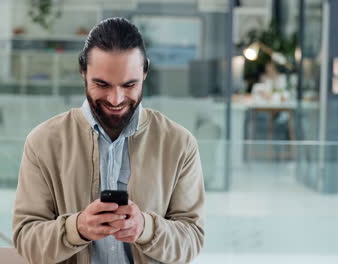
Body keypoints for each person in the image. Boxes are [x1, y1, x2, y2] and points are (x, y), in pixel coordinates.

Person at [12, 17, 205, 264]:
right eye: (102, 84)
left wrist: (145, 228)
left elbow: (192, 239)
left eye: (129, 84)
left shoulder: (180, 144)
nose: (115, 99)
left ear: (145, 71)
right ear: (83, 71)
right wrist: (78, 228)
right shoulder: (42, 143)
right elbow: (26, 238)